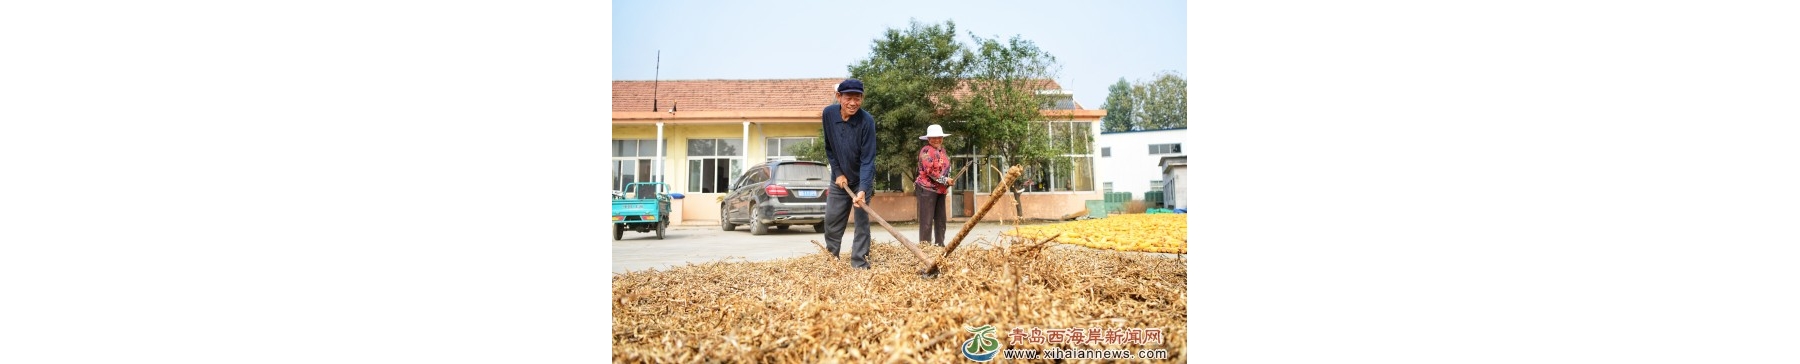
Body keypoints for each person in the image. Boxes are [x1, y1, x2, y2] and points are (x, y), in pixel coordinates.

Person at [821, 78, 877, 269]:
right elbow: (829, 148)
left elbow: (868, 159)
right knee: (832, 220)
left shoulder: (867, 121)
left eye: (858, 98)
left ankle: (860, 264)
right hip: (839, 180)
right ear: (839, 97)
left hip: (861, 179)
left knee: (862, 223)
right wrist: (837, 172)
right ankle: (832, 261)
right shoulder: (828, 114)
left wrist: (862, 189)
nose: (853, 103)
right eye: (849, 98)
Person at [914, 124, 956, 247]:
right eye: (933, 137)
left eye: (939, 137)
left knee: (941, 220)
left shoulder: (943, 151)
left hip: (940, 190)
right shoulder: (926, 151)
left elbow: (946, 168)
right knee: (926, 221)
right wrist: (945, 180)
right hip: (926, 189)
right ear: (928, 139)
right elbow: (930, 172)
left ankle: (940, 245)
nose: (937, 139)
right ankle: (925, 247)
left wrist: (948, 180)